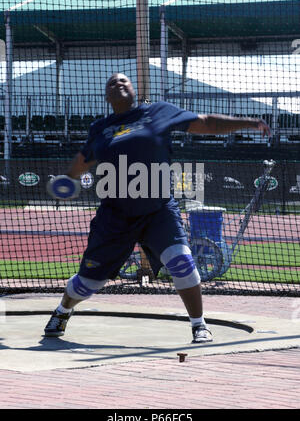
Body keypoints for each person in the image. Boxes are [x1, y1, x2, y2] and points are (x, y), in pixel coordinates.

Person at [44, 73, 271, 343]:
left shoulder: (157, 112)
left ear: (133, 89)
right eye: (111, 83)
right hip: (114, 215)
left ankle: (199, 325)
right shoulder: (100, 128)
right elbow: (83, 160)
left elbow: (205, 122)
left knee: (182, 262)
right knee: (87, 284)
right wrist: (66, 180)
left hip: (158, 208)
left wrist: (249, 122)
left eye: (123, 81)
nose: (118, 83)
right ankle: (62, 310)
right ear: (107, 96)